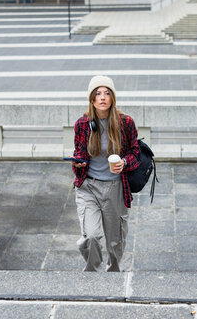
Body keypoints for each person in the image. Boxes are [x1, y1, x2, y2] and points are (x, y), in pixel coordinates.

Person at [70, 75, 140, 272]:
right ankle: (93, 272)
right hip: (88, 187)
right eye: (98, 93)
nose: (102, 97)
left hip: (115, 187)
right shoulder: (82, 124)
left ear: (112, 98)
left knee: (115, 241)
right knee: (90, 236)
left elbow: (136, 153)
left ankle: (113, 272)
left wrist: (124, 163)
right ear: (91, 99)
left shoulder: (125, 123)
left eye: (107, 93)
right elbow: (78, 156)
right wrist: (78, 163)